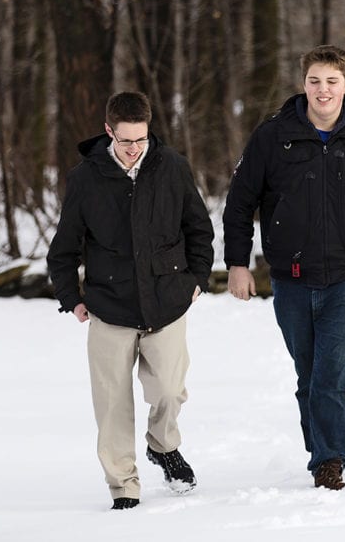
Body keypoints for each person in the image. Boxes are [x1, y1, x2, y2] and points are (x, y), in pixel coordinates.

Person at [223, 45, 345, 490]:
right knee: (309, 373)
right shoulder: (273, 137)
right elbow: (240, 202)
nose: (323, 90)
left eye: (331, 81)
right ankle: (323, 448)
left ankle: (329, 459)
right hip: (292, 277)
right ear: (303, 84)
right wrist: (237, 263)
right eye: (315, 81)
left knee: (332, 373)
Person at [47, 91, 214, 510]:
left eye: (141, 139)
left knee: (170, 391)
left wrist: (197, 279)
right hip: (110, 306)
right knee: (112, 406)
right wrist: (70, 297)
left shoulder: (172, 166)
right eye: (126, 141)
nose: (135, 148)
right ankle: (123, 484)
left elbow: (198, 228)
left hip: (167, 300)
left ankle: (163, 445)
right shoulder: (86, 178)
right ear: (109, 132)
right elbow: (64, 247)